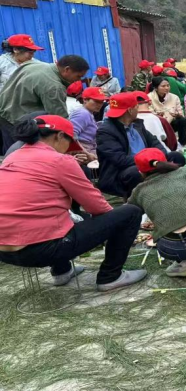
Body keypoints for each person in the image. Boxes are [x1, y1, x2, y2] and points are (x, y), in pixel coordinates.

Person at [0, 115, 146, 291]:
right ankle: (110, 276)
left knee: (55, 215)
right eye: (69, 143)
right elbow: (98, 207)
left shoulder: (11, 158)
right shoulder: (59, 160)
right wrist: (116, 225)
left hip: (5, 252)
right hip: (42, 250)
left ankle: (62, 271)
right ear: (60, 136)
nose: (68, 150)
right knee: (130, 213)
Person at [97, 92, 185, 198]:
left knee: (176, 156)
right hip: (125, 170)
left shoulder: (136, 124)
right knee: (135, 172)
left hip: (150, 162)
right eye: (136, 106)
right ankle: (138, 199)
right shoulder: (106, 131)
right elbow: (120, 160)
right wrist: (149, 162)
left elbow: (155, 142)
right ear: (130, 110)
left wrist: (156, 159)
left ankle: (174, 190)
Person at [0, 55, 89, 154]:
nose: (78, 80)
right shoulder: (53, 86)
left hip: (4, 111)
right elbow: (60, 118)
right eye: (78, 76)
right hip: (16, 119)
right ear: (67, 69)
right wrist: (79, 148)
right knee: (19, 153)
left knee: (8, 148)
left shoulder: (35, 64)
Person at [148, 76, 186, 147]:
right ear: (156, 88)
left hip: (170, 123)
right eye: (163, 86)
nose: (166, 88)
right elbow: (149, 114)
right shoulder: (149, 97)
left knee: (183, 120)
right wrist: (158, 115)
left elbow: (181, 113)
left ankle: (182, 144)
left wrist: (177, 115)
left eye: (168, 85)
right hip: (157, 125)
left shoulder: (174, 97)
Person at [70, 87, 107, 155]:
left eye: (102, 102)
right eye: (96, 101)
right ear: (85, 100)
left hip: (89, 149)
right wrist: (87, 154)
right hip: (81, 152)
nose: (100, 105)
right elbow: (71, 135)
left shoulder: (88, 113)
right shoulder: (83, 113)